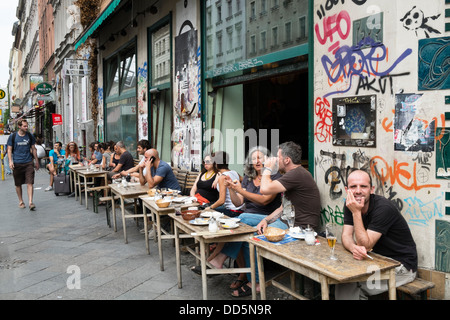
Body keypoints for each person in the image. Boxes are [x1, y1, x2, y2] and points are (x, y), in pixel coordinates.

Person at [197, 147, 284, 297]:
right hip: (248, 217)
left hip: (266, 217)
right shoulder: (249, 177)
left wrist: (241, 190)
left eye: (260, 157)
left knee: (240, 220)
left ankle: (220, 258)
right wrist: (231, 187)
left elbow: (265, 201)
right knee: (245, 238)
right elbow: (238, 202)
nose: (257, 161)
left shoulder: (274, 177)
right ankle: (251, 281)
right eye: (254, 158)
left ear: (267, 159)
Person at [334, 169, 418, 300]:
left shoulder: (383, 208)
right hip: (376, 261)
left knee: (351, 286)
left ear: (372, 189)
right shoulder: (350, 203)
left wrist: (356, 213)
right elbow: (346, 235)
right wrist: (353, 248)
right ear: (347, 189)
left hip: (401, 267)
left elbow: (365, 245)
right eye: (353, 186)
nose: (358, 191)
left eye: (363, 186)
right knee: (342, 280)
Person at [257, 141, 321, 233]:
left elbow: (264, 189)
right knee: (244, 218)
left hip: (299, 227)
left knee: (256, 233)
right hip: (286, 221)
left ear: (287, 160)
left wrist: (268, 168)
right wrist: (266, 220)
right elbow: (282, 208)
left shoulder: (296, 174)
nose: (275, 160)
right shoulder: (295, 173)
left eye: (278, 157)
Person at [7, 119, 40, 210]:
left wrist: (36, 161)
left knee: (30, 182)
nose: (26, 127)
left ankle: (30, 202)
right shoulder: (13, 136)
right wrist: (10, 161)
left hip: (28, 162)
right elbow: (9, 150)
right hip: (17, 163)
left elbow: (33, 149)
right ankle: (21, 201)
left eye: (27, 126)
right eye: (24, 126)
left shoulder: (30, 136)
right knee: (18, 184)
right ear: (19, 126)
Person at [207, 151, 244, 217]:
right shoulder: (235, 173)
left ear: (216, 164)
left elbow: (221, 201)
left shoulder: (222, 177)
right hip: (240, 209)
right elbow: (245, 182)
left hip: (232, 211)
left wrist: (210, 208)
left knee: (206, 213)